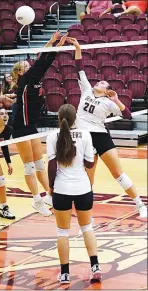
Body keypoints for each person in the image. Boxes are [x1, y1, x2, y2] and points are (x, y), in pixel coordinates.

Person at [66, 37, 147, 219]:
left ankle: (140, 204)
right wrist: (78, 47)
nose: (99, 82)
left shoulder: (108, 102)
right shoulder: (86, 90)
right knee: (88, 178)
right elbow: (79, 67)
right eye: (99, 82)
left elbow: (127, 115)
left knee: (117, 173)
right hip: (83, 137)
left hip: (100, 136)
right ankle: (85, 214)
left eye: (103, 83)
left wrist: (116, 100)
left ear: (107, 89)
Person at [12, 31, 68, 217]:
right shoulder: (25, 81)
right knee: (29, 166)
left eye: (29, 66)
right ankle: (37, 200)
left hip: (32, 127)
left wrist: (53, 42)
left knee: (40, 164)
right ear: (20, 73)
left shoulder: (33, 78)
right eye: (26, 67)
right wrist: (56, 46)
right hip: (20, 128)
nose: (30, 67)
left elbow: (41, 61)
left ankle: (50, 196)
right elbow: (44, 62)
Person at [46, 104, 102, 284]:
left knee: (62, 231)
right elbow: (89, 164)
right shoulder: (85, 134)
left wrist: (51, 188)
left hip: (62, 189)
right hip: (83, 189)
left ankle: (64, 274)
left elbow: (52, 166)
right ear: (75, 118)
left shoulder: (51, 137)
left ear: (59, 118)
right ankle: (95, 267)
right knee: (87, 228)